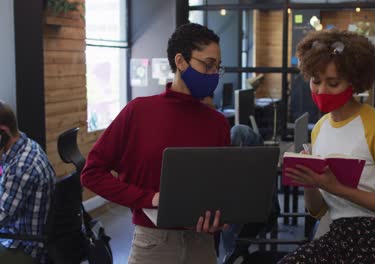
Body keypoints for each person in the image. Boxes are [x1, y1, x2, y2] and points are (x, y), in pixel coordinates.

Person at [81, 23, 231, 264]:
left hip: (203, 246)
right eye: (208, 65)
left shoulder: (218, 123)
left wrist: (222, 215)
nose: (214, 74)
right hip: (153, 245)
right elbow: (92, 174)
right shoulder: (139, 112)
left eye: (217, 67)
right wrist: (149, 199)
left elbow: (222, 185)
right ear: (180, 61)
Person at [278, 30, 375, 263]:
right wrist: (311, 183)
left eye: (333, 83)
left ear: (354, 81)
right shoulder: (320, 128)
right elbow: (317, 211)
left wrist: (336, 187)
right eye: (315, 81)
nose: (321, 91)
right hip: (339, 235)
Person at [0, 102, 55, 264]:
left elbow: (1, 217)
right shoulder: (25, 145)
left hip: (23, 245)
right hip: (19, 231)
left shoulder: (21, 167)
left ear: (2, 132)